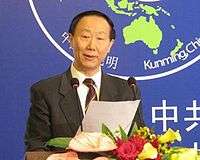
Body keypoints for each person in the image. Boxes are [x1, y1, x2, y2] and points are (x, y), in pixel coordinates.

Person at [24, 10, 144, 153]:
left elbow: (138, 145)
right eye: (85, 36)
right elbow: (35, 148)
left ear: (110, 45)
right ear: (70, 39)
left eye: (100, 38)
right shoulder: (45, 91)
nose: (91, 46)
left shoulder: (126, 90)